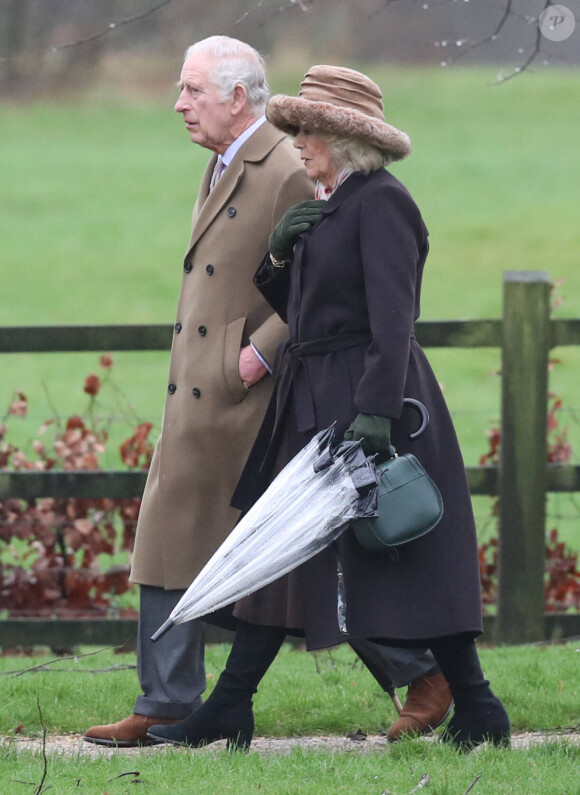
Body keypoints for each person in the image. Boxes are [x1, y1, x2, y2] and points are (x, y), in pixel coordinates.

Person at [83, 42, 448, 748]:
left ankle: (422, 671)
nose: (179, 104)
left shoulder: (285, 163)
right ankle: (166, 699)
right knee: (171, 533)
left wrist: (258, 352)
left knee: (311, 547)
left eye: (192, 91)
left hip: (253, 394)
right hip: (199, 389)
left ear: (237, 98)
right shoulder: (222, 161)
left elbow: (332, 282)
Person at [147, 65, 510, 752]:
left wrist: (375, 415)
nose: (298, 142)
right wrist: (280, 257)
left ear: (344, 139)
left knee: (410, 555)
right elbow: (304, 316)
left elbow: (394, 319)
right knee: (280, 549)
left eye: (307, 131)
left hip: (371, 403)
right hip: (313, 400)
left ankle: (478, 705)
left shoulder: (384, 204)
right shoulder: (330, 206)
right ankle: (231, 706)